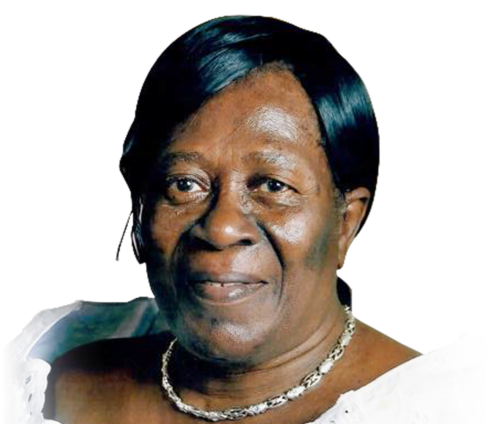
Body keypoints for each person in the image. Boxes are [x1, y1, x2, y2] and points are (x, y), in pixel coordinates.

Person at [6, 15, 485, 424]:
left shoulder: (440, 409)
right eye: (184, 184)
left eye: (273, 186)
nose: (220, 229)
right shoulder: (49, 379)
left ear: (345, 222)